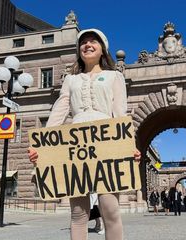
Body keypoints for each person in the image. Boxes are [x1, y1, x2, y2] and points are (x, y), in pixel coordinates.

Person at [28, 28, 141, 240]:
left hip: (108, 143)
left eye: (93, 42)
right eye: (84, 42)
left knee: (110, 209)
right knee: (79, 213)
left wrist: (129, 146)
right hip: (74, 146)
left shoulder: (114, 76)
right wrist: (41, 144)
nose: (87, 45)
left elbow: (119, 114)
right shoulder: (71, 80)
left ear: (102, 50)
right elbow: (59, 111)